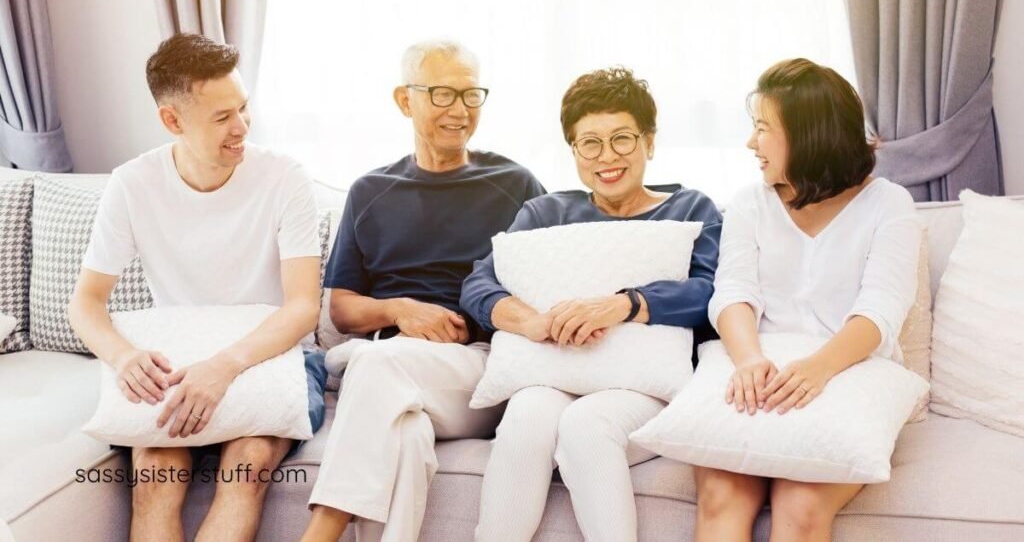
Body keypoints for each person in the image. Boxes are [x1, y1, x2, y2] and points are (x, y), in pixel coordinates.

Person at [68, 33, 328, 541]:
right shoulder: (132, 183)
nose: (242, 128)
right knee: (155, 479)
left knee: (248, 466)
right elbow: (86, 302)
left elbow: (302, 307)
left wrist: (223, 367)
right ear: (172, 121)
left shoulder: (285, 178)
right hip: (180, 363)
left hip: (267, 355)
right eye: (222, 117)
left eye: (244, 109)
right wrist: (123, 357)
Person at [461, 66, 723, 542]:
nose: (607, 157)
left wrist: (624, 305)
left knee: (585, 424)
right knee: (525, 416)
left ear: (650, 142)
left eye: (622, 139)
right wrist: (534, 321)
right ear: (574, 150)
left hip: (642, 387)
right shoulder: (545, 214)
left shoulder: (690, 210)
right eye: (590, 144)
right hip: (554, 374)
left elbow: (713, 294)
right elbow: (479, 286)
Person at [301, 40, 546, 542]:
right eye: (441, 94)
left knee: (374, 366)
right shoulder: (370, 191)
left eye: (471, 95)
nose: (459, 111)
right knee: (404, 435)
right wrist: (401, 310)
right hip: (390, 364)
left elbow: (552, 278)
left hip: (476, 370)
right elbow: (342, 309)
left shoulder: (514, 183)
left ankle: (319, 533)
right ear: (403, 99)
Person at [695, 58, 922, 541]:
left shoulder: (888, 204)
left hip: (849, 369)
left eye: (761, 129)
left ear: (808, 134)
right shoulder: (749, 203)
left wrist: (817, 369)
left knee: (799, 505)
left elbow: (881, 308)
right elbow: (733, 291)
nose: (750, 144)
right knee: (722, 496)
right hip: (759, 367)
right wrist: (750, 358)